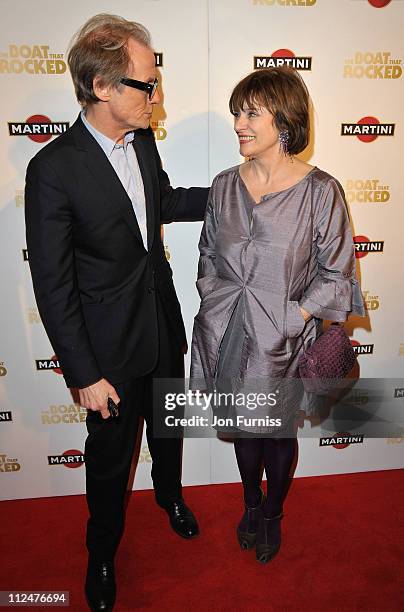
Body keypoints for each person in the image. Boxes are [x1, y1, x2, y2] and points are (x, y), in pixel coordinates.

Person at [25, 14, 208, 611]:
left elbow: (165, 200)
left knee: (170, 427)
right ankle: (101, 553)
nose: (157, 97)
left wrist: (238, 189)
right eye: (146, 85)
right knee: (108, 462)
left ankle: (170, 496)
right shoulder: (53, 170)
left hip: (162, 323)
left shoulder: (145, 141)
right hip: (105, 350)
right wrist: (82, 373)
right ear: (103, 87)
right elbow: (53, 285)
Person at [190, 67, 365, 564]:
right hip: (227, 333)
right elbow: (207, 253)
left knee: (276, 433)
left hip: (285, 342)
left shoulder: (320, 192)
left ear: (284, 122)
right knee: (244, 429)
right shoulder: (224, 185)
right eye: (237, 114)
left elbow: (337, 274)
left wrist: (294, 316)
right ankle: (250, 502)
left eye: (251, 113)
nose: (239, 124)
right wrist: (213, 298)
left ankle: (272, 513)